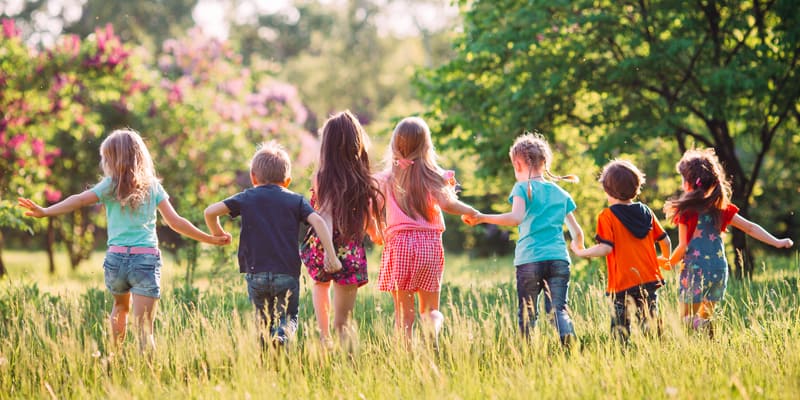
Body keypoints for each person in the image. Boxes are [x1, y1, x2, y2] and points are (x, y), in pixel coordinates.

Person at [17, 129, 231, 353]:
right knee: (145, 329)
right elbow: (176, 222)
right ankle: (148, 374)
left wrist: (46, 211)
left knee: (119, 308)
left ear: (111, 159)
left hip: (116, 259)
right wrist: (210, 239)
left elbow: (79, 200)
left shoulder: (109, 186)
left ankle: (115, 357)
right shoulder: (152, 187)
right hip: (145, 260)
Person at [204, 141, 341, 348]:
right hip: (286, 272)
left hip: (255, 272)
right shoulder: (296, 200)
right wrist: (331, 255)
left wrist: (218, 234)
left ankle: (266, 358)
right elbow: (319, 222)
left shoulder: (246, 197)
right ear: (287, 181)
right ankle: (282, 337)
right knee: (289, 317)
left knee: (261, 321)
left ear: (253, 177)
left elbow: (210, 212)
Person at [463, 132, 584, 347]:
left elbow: (516, 218)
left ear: (518, 164)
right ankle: (569, 342)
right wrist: (578, 246)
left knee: (528, 311)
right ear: (544, 162)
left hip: (530, 260)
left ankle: (526, 352)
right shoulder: (561, 193)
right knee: (558, 310)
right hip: (558, 259)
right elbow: (577, 232)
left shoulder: (521, 188)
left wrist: (482, 217)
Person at [664, 148, 793, 336]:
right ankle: (707, 342)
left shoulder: (687, 211)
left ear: (689, 183)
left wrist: (669, 263)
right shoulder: (721, 209)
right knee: (704, 318)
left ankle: (700, 327)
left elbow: (683, 247)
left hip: (695, 271)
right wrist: (777, 242)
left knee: (686, 320)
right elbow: (750, 228)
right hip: (718, 270)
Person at [376, 116, 479, 346]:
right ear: (426, 146)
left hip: (399, 245)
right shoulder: (434, 176)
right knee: (431, 309)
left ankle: (406, 359)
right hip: (428, 246)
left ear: (394, 144)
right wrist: (472, 211)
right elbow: (448, 204)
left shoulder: (386, 178)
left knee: (403, 316)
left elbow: (371, 204)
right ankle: (432, 335)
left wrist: (376, 227)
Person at [300, 110, 384, 347]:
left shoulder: (322, 176)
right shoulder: (365, 178)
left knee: (320, 284)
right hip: (349, 251)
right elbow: (367, 218)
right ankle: (344, 356)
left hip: (323, 247)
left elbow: (324, 215)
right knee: (343, 323)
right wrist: (376, 233)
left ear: (327, 145)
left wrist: (328, 251)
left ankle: (325, 337)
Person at [571, 160, 671, 343]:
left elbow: (605, 247)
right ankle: (658, 350)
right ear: (637, 187)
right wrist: (665, 258)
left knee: (620, 327)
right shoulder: (646, 211)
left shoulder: (607, 216)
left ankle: (621, 354)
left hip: (622, 283)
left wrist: (581, 252)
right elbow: (665, 240)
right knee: (650, 321)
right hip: (649, 278)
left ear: (607, 190)